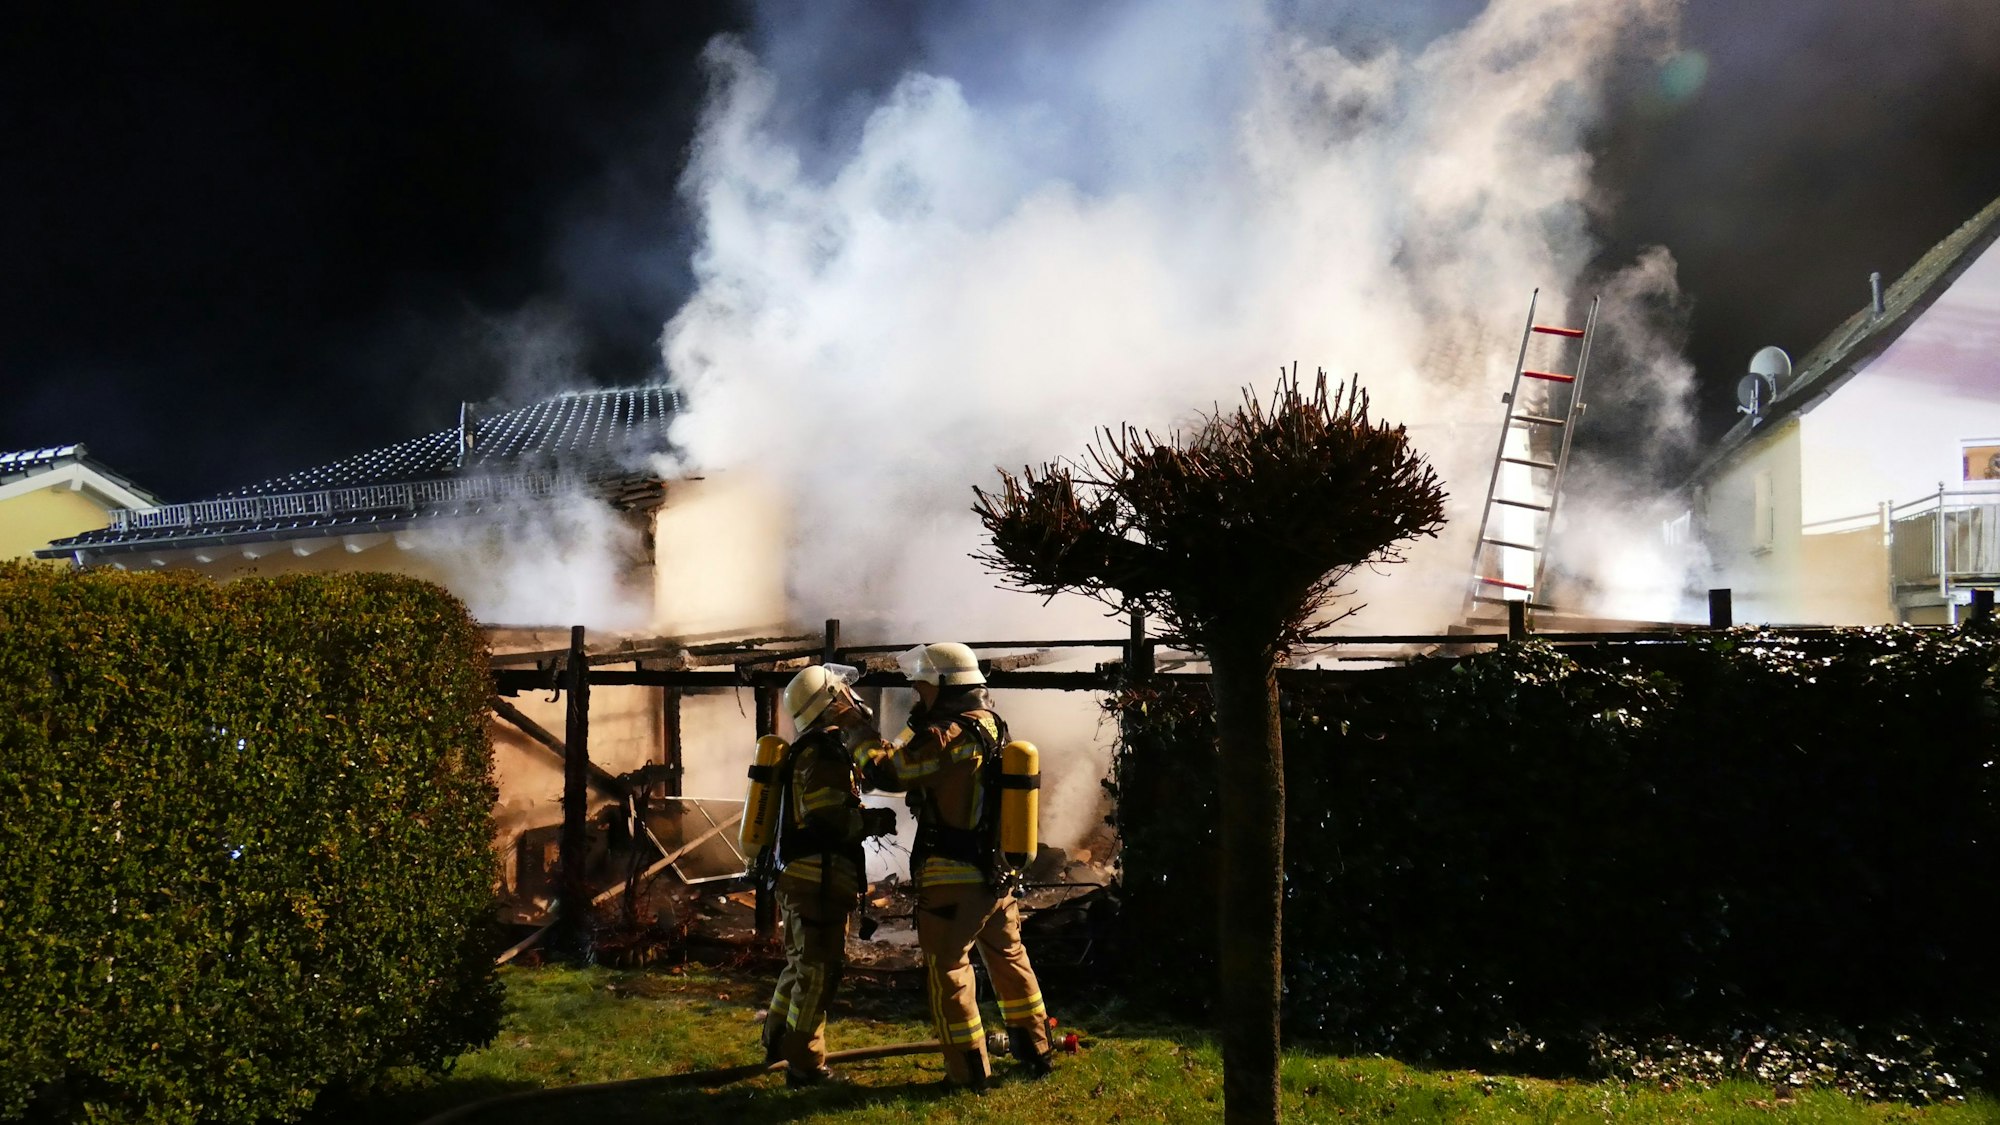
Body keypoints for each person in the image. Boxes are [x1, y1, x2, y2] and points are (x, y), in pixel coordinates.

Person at [852, 642, 1054, 1090]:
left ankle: (967, 1072)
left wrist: (856, 731)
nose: (917, 695)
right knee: (1010, 958)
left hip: (953, 877)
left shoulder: (949, 734)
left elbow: (890, 773)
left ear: (945, 686)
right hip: (995, 874)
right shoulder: (990, 724)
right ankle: (1037, 1049)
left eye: (922, 687)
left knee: (949, 970)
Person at [761, 664, 897, 1086]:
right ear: (830, 703)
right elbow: (828, 819)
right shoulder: (824, 753)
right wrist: (873, 822)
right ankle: (805, 1064)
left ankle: (776, 1040)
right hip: (816, 882)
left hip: (800, 879)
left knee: (800, 966)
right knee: (819, 972)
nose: (852, 699)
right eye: (842, 693)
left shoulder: (811, 749)